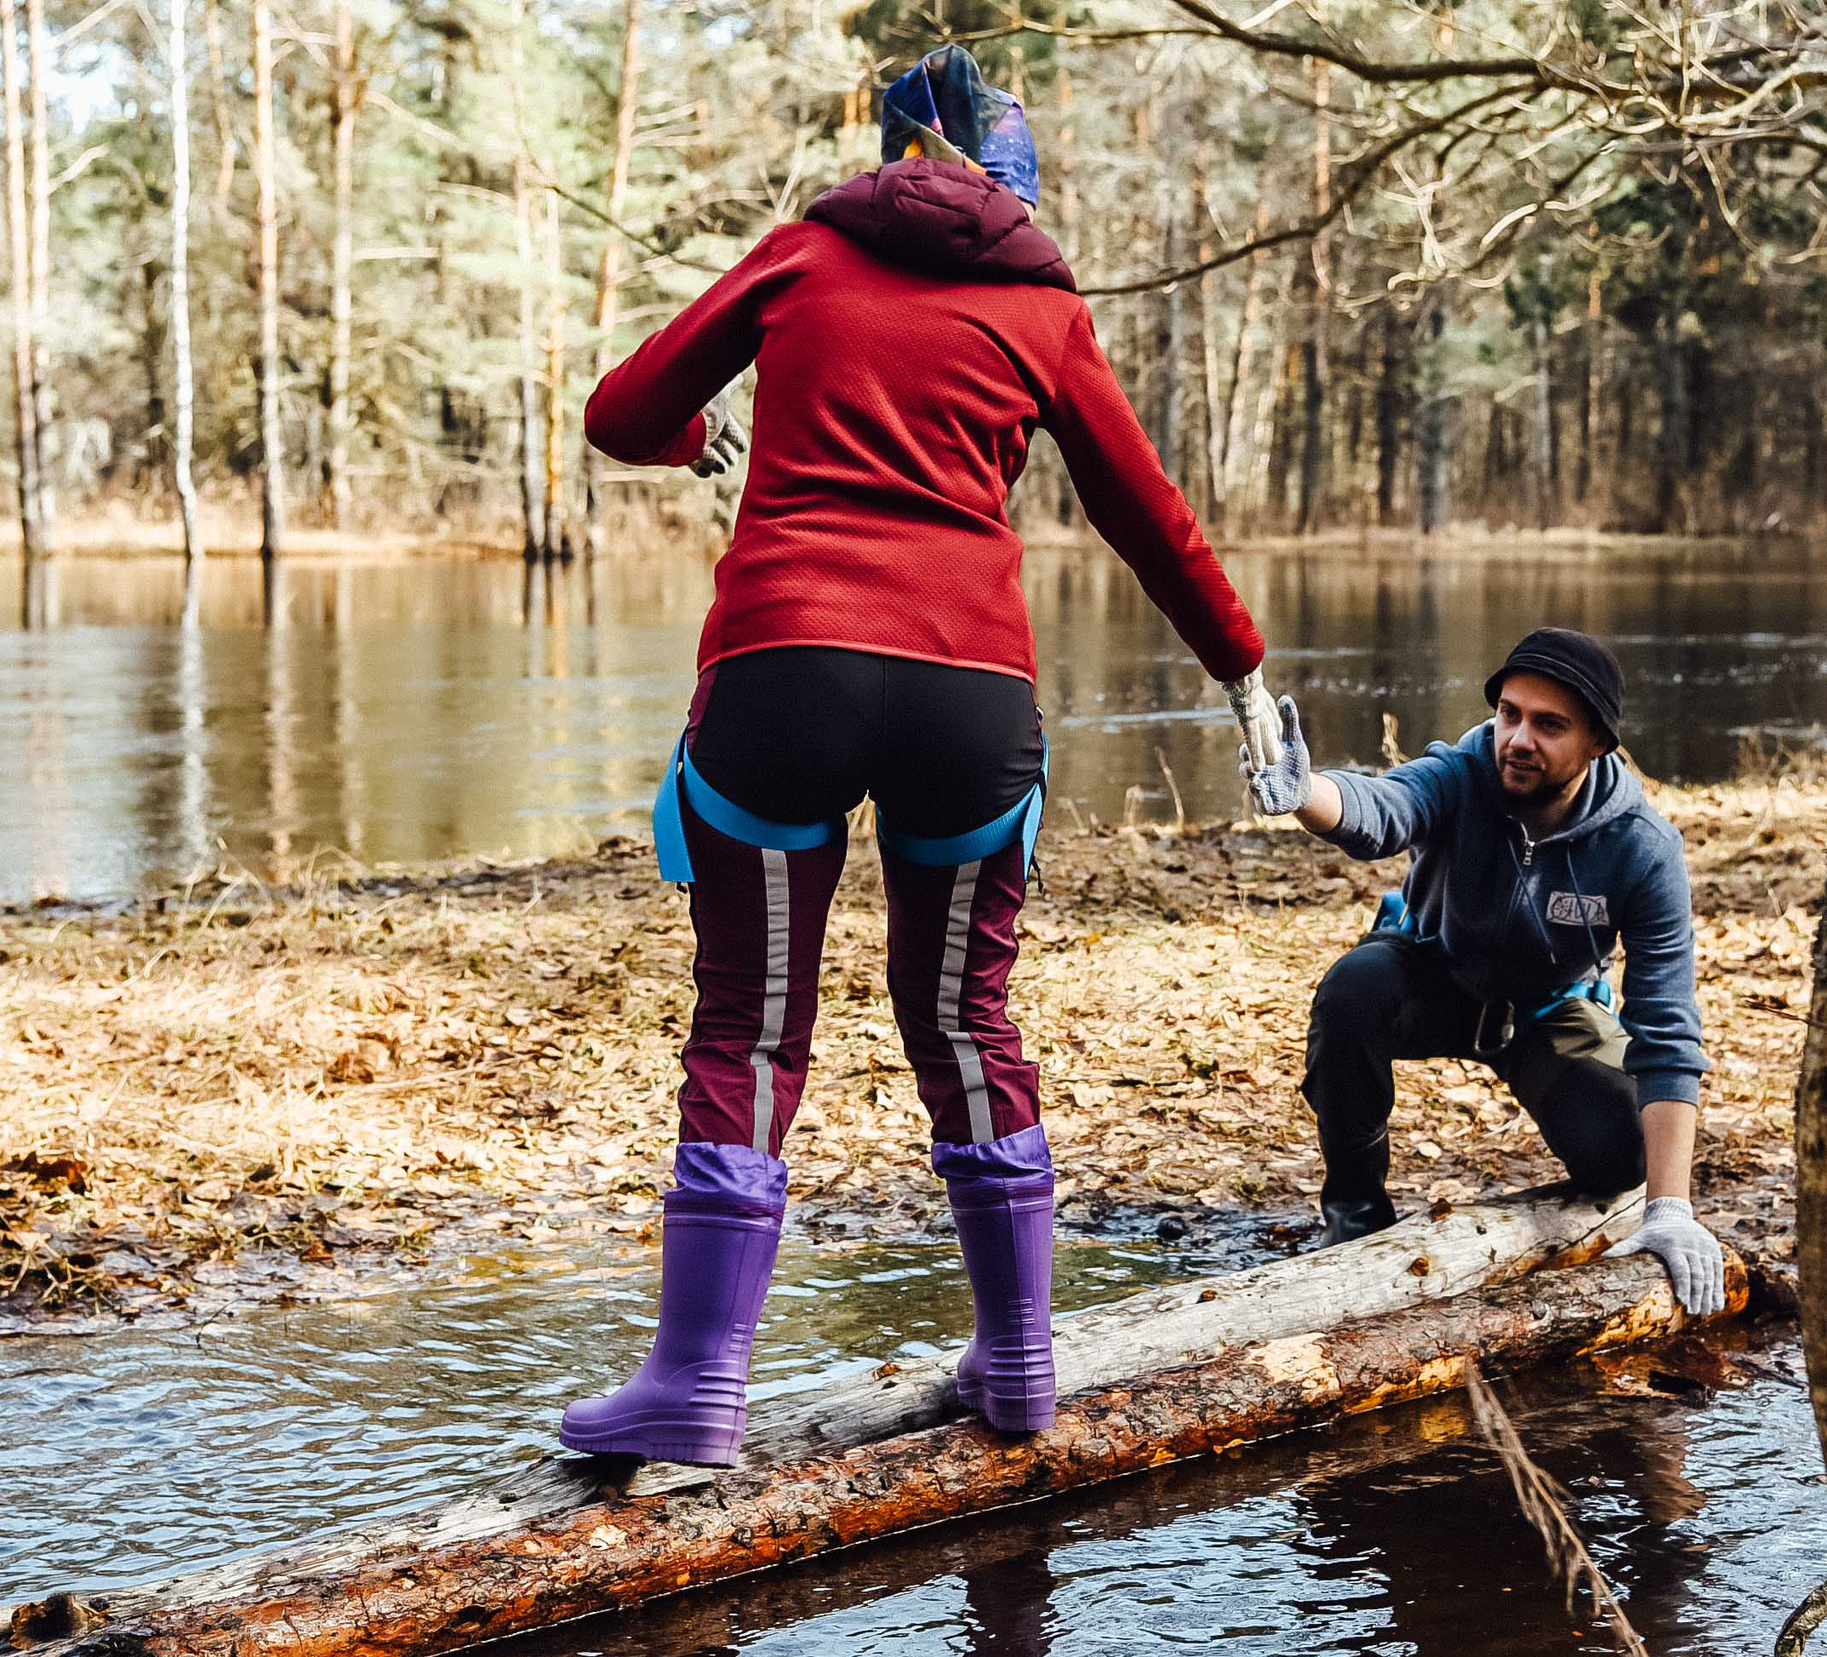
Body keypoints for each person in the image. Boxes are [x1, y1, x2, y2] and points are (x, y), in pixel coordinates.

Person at [560, 45, 1283, 1466]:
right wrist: (1243, 666)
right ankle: (1018, 1361)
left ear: (891, 149)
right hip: (969, 688)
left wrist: (707, 431)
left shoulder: (804, 254)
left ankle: (698, 1385)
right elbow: (1148, 514)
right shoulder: (1042, 304)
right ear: (1014, 179)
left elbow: (619, 413)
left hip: (787, 668)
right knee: (966, 1015)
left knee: (751, 1025)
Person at [1245, 629, 1726, 1315]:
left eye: (1549, 724)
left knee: (1626, 1153)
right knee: (1351, 988)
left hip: (1545, 1010)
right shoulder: (1463, 773)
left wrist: (1670, 1207)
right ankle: (1355, 1217)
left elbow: (1668, 1031)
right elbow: (1383, 810)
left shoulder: (1643, 850)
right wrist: (1305, 793)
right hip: (1429, 973)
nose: (1518, 738)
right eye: (1509, 713)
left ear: (1597, 743)